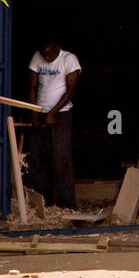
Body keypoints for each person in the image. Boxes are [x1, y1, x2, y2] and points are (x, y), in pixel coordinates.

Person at [26, 33, 81, 208]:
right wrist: (34, 111)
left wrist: (53, 113)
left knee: (61, 159)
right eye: (44, 54)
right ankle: (43, 203)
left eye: (50, 54)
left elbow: (71, 90)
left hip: (61, 114)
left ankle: (66, 204)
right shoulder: (37, 56)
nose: (47, 57)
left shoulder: (69, 59)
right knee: (38, 158)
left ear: (57, 48)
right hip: (41, 113)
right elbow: (32, 87)